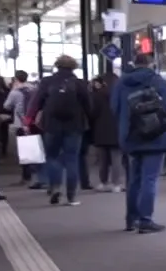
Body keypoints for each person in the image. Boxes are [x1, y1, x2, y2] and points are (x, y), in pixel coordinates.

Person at [111, 52, 166, 234]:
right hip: (155, 136)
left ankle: (131, 219)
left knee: (134, 180)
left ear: (134, 64)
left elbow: (114, 108)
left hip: (131, 137)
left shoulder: (121, 83)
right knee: (149, 179)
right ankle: (146, 220)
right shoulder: (156, 81)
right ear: (152, 64)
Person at [28, 55, 91, 206]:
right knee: (72, 159)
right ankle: (72, 197)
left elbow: (36, 102)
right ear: (73, 67)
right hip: (74, 126)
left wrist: (29, 119)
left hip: (51, 125)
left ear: (57, 66)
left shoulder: (47, 81)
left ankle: (55, 187)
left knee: (52, 157)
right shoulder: (79, 83)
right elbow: (89, 105)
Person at [90, 73, 121, 192]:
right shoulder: (119, 95)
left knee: (102, 159)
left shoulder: (97, 95)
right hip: (117, 129)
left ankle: (103, 182)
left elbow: (92, 112)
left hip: (100, 129)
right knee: (116, 158)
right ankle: (116, 184)